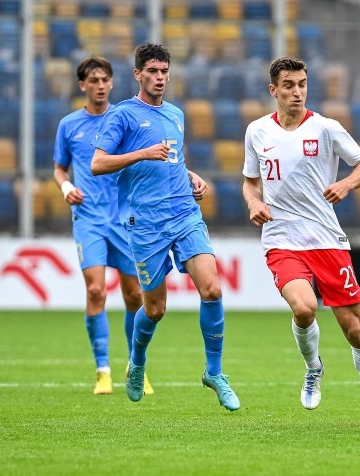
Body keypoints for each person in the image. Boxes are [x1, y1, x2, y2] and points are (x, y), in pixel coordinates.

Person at [242, 56, 360, 429]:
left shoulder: (326, 128)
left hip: (326, 240)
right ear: (273, 90)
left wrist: (345, 184)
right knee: (305, 308)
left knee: (355, 330)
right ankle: (313, 368)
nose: (297, 92)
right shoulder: (257, 131)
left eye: (302, 85)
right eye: (289, 85)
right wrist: (254, 202)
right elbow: (249, 181)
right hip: (282, 239)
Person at [90, 43, 239, 411]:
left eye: (164, 72)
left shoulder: (175, 113)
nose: (159, 78)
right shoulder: (122, 115)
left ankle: (215, 372)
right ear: (138, 74)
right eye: (152, 72)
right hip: (145, 223)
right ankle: (137, 361)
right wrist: (141, 152)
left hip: (184, 213)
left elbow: (171, 158)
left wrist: (191, 176)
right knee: (154, 309)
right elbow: (98, 163)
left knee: (213, 289)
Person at [53, 56, 153, 395]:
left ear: (112, 83)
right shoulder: (69, 125)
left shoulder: (123, 119)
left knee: (134, 296)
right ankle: (102, 370)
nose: (99, 85)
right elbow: (58, 169)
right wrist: (66, 188)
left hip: (124, 220)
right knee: (96, 290)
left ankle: (135, 367)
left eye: (105, 79)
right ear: (83, 85)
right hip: (89, 219)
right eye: (93, 80)